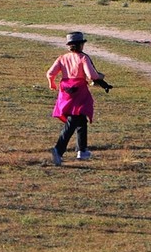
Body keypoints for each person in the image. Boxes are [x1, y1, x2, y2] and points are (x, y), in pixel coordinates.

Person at [45, 31, 111, 165]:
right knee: (73, 119)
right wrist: (101, 77)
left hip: (65, 91)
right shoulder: (83, 58)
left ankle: (82, 149)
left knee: (81, 118)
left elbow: (50, 73)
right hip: (79, 91)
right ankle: (58, 149)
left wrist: (51, 83)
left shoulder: (62, 58)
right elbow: (91, 75)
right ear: (80, 45)